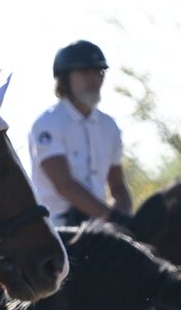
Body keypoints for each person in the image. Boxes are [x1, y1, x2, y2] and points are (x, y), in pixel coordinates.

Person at [28, 40, 131, 226]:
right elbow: (64, 185)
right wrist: (113, 218)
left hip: (98, 231)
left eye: (98, 72)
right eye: (84, 72)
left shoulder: (109, 126)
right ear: (65, 79)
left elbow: (118, 187)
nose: (94, 79)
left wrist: (128, 220)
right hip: (55, 233)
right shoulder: (47, 124)